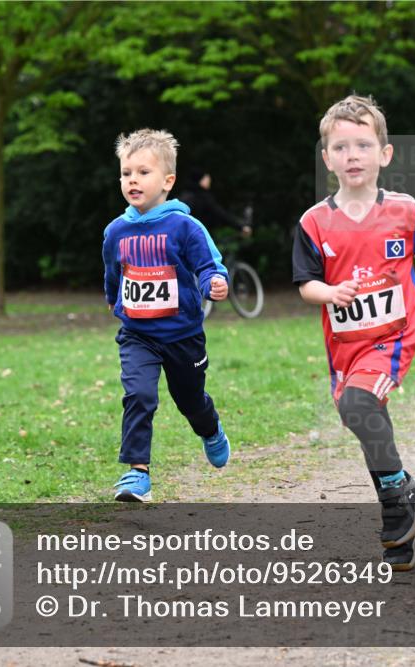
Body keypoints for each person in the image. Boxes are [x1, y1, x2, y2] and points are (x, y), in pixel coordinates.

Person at [292, 95, 415, 570]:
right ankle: (400, 515)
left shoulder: (404, 211)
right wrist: (329, 293)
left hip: (394, 334)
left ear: (384, 154)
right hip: (344, 342)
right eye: (341, 147)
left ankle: (393, 504)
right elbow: (305, 284)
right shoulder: (313, 221)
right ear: (327, 158)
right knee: (360, 417)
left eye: (363, 145)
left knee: (361, 406)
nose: (353, 155)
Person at [103, 129, 232, 502]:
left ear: (167, 181)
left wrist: (214, 284)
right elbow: (114, 274)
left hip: (182, 335)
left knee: (190, 400)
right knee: (139, 395)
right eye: (127, 173)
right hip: (138, 334)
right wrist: (115, 302)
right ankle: (136, 473)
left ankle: (210, 430)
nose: (133, 180)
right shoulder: (115, 231)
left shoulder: (185, 226)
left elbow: (209, 265)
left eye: (143, 172)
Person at [179, 169, 253, 238]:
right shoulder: (203, 197)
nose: (209, 181)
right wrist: (240, 227)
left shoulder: (183, 196)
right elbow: (220, 214)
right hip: (197, 237)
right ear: (200, 180)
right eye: (207, 178)